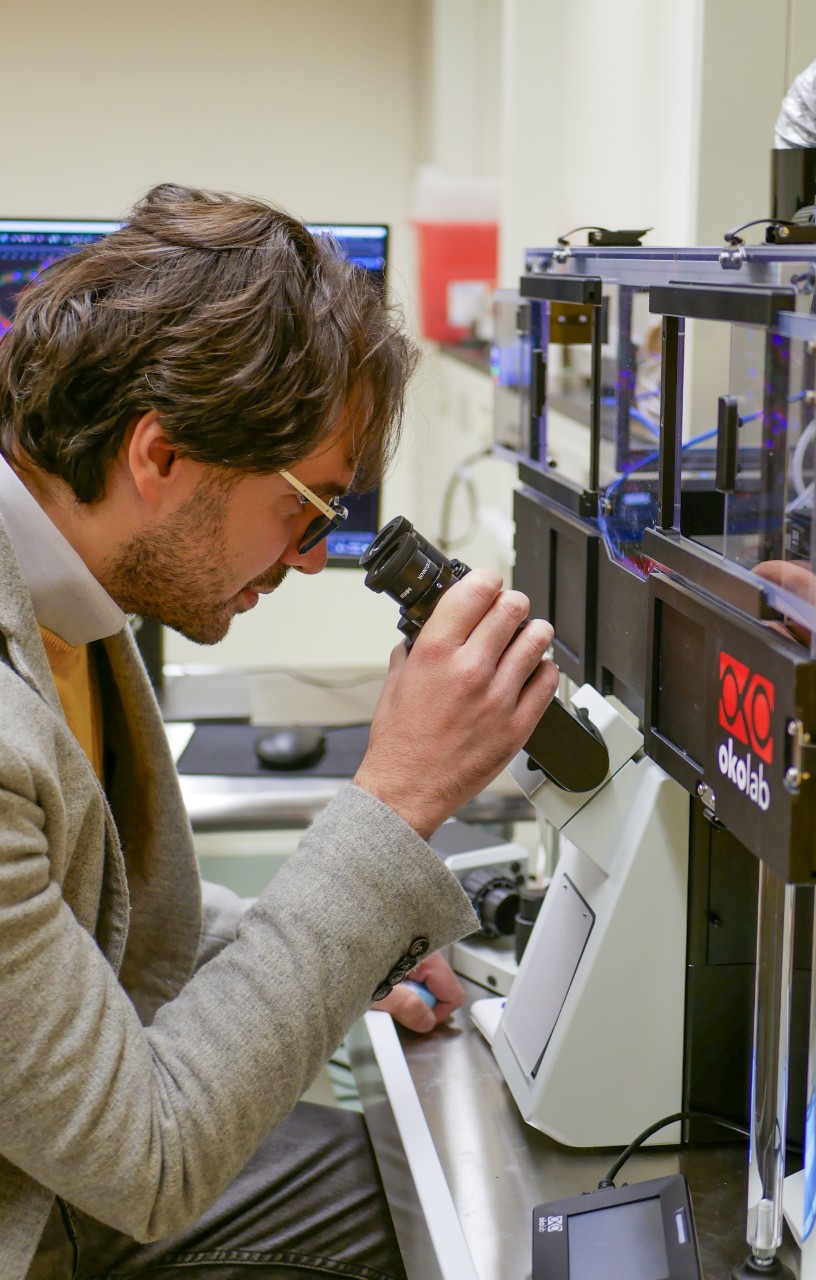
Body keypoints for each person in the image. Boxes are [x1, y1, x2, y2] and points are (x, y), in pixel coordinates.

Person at [0, 184, 558, 1280]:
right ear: (161, 457)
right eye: (307, 508)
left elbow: (82, 915)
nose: (311, 557)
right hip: (55, 1205)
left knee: (400, 1185)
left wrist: (335, 954)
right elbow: (147, 1157)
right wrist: (393, 798)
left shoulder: (66, 587)